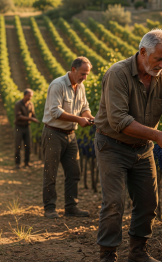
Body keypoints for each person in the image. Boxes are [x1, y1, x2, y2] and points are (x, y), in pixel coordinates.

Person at [94, 30, 162, 262]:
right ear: (143, 52)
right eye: (159, 58)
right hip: (112, 146)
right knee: (114, 202)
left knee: (148, 202)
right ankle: (107, 254)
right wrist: (157, 135)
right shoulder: (118, 74)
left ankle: (138, 252)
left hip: (143, 149)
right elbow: (119, 120)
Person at [42, 57, 95, 219]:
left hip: (70, 135)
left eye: (87, 74)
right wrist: (79, 119)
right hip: (53, 133)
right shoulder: (58, 85)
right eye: (82, 73)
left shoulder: (81, 87)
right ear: (73, 70)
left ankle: (71, 207)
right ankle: (50, 208)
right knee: (51, 172)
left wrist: (90, 118)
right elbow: (55, 112)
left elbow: (84, 108)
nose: (85, 77)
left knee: (74, 172)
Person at [13, 88, 39, 169]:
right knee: (18, 146)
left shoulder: (31, 104)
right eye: (29, 96)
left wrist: (37, 120)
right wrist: (31, 119)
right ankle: (17, 163)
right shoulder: (18, 104)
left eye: (31, 96)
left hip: (27, 127)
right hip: (19, 127)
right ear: (24, 95)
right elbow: (18, 116)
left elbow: (33, 115)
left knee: (28, 146)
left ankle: (26, 163)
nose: (30, 97)